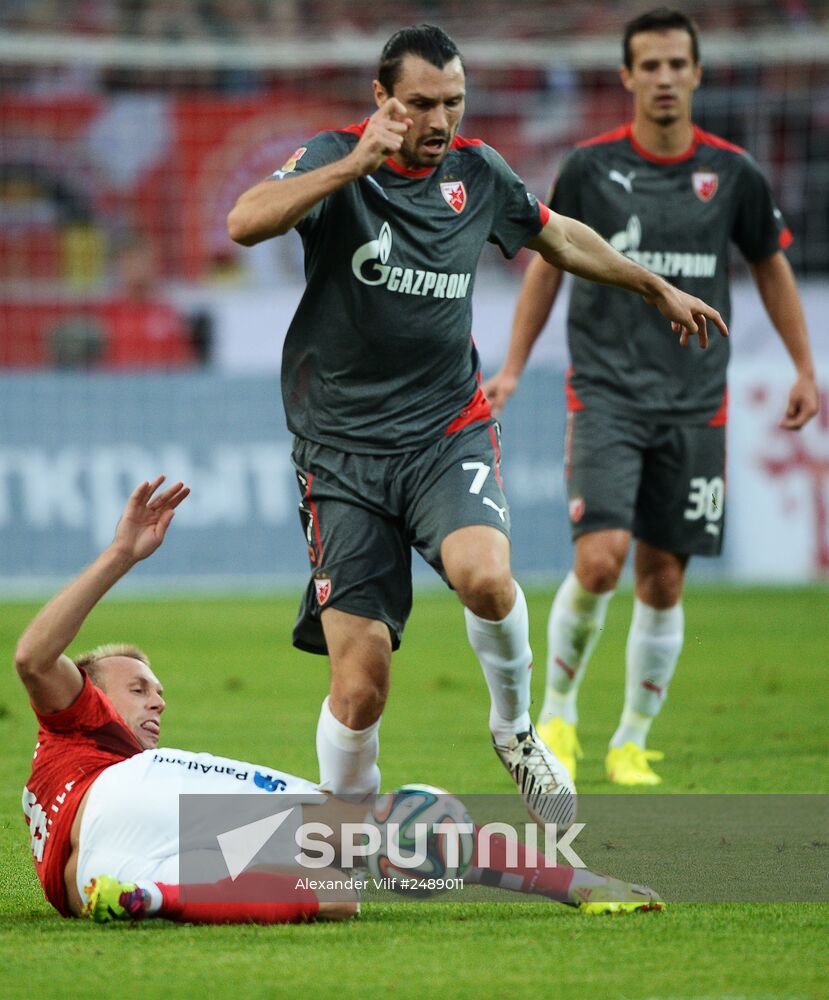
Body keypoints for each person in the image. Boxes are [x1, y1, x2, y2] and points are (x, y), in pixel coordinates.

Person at [226, 23, 727, 820]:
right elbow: (244, 221)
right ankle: (346, 838)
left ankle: (517, 731)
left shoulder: (476, 172)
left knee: (486, 578)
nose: (438, 121)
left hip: (442, 431)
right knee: (359, 690)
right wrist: (354, 164)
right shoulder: (333, 157)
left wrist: (650, 285)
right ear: (381, 98)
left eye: (452, 103)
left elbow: (556, 235)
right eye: (420, 103)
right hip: (341, 455)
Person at [17, 478, 662, 923]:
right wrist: (121, 553)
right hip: (129, 803)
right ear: (91, 696)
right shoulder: (88, 734)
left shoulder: (55, 785)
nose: (157, 703)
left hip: (94, 878)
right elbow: (32, 658)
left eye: (158, 691)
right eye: (137, 689)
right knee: (390, 822)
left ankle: (154, 898)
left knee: (334, 895)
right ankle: (581, 884)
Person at [483, 8, 819, 786]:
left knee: (663, 579)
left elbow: (768, 264)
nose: (665, 78)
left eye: (678, 64)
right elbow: (545, 263)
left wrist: (803, 367)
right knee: (599, 561)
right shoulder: (589, 169)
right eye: (651, 65)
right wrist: (511, 365)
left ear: (696, 74)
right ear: (626, 76)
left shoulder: (733, 174)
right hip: (602, 392)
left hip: (695, 399)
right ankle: (558, 716)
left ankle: (631, 738)